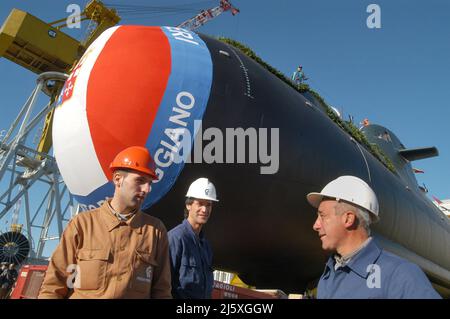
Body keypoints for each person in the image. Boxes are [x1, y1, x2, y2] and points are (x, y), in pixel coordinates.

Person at [39, 146, 172, 299]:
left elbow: (162, 291)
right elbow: (54, 286)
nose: (147, 189)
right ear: (118, 179)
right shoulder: (82, 225)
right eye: (140, 181)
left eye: (149, 183)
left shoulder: (155, 231)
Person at [306, 175, 441, 299]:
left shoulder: (400, 275)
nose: (315, 225)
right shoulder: (329, 275)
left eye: (322, 216)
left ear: (348, 219)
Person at [168, 178, 219, 299]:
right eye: (200, 203)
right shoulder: (175, 238)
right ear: (188, 205)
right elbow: (162, 284)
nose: (205, 210)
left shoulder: (206, 246)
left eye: (209, 205)